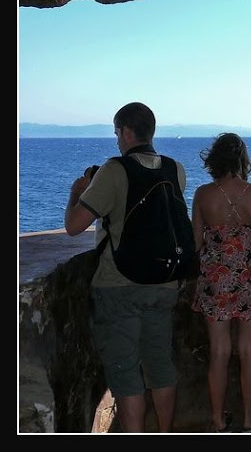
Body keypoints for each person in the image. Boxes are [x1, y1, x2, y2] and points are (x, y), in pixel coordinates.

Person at [63, 102, 185, 432]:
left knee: (127, 372)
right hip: (163, 283)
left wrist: (78, 192)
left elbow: (75, 225)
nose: (117, 139)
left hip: (118, 285)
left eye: (117, 133)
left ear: (127, 131)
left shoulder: (114, 170)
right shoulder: (175, 169)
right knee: (160, 367)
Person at [191, 133, 251, 433]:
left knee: (218, 352)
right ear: (243, 160)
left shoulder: (203, 194)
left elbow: (195, 244)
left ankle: (217, 420)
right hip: (250, 281)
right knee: (248, 351)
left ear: (214, 159)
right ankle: (249, 418)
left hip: (216, 279)